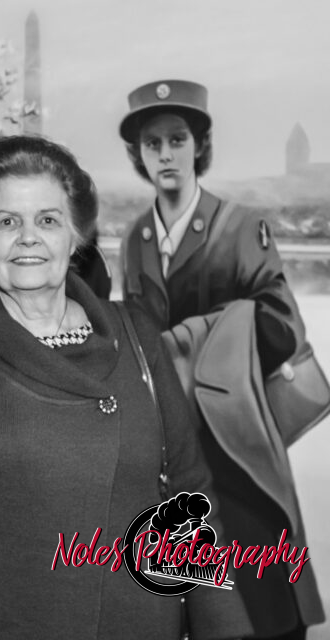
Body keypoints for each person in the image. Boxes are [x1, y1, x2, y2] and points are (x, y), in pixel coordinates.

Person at [0, 135, 251, 639]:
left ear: (75, 238)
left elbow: (189, 492)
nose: (28, 238)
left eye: (47, 221)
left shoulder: (138, 338)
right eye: (7, 222)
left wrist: (223, 626)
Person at [119, 79, 324, 639]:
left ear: (199, 146)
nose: (166, 154)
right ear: (138, 154)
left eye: (177, 139)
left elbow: (282, 327)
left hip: (236, 440)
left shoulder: (239, 227)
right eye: (153, 143)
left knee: (265, 600)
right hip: (173, 449)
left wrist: (188, 342)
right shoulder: (135, 238)